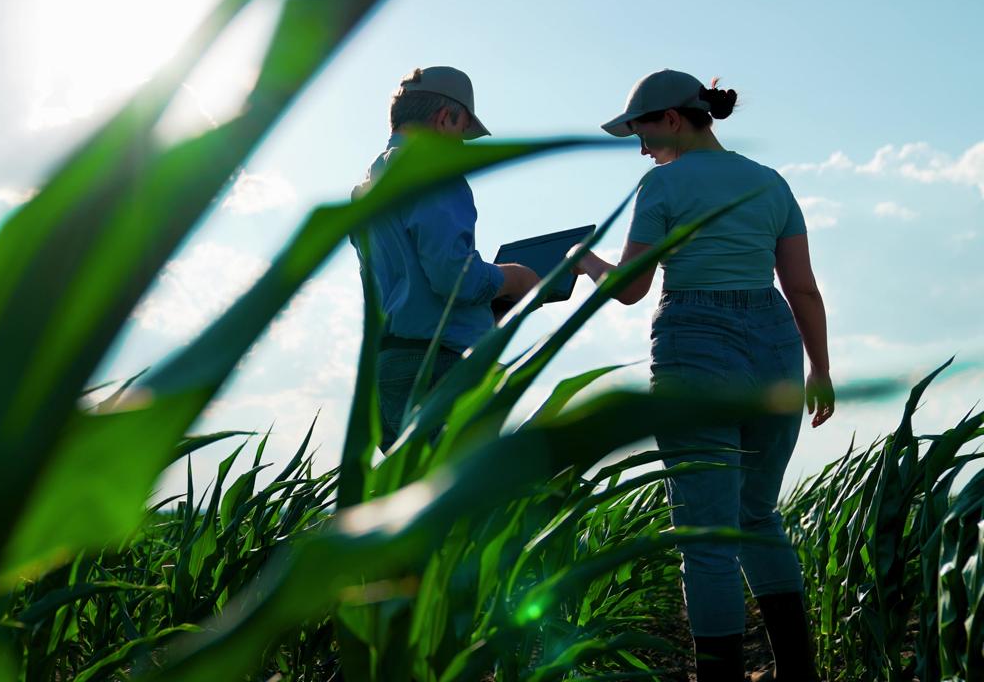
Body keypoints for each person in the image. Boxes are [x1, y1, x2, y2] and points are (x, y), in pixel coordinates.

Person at [573, 69, 834, 682]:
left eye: (641, 132)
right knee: (759, 516)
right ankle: (799, 673)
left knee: (706, 535)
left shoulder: (662, 185)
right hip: (777, 346)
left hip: (696, 341)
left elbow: (633, 289)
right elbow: (801, 286)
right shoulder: (770, 183)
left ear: (671, 119)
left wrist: (586, 262)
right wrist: (820, 368)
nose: (639, 148)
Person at [348, 66, 539, 452]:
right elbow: (455, 279)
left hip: (387, 367)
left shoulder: (368, 184)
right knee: (470, 504)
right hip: (439, 367)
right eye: (462, 131)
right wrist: (515, 278)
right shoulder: (435, 171)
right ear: (445, 118)